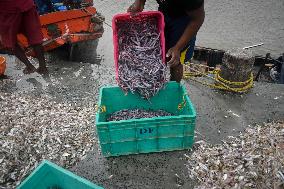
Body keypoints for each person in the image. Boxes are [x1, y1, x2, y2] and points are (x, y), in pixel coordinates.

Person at [128, 0, 205, 82]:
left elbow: (198, 19)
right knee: (158, 51)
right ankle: (157, 82)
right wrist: (139, 3)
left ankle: (174, 87)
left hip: (184, 20)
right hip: (165, 11)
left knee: (175, 60)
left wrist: (178, 48)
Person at [0, 0, 48, 74]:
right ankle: (43, 67)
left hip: (8, 9)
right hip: (27, 5)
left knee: (9, 41)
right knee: (35, 37)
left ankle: (30, 67)